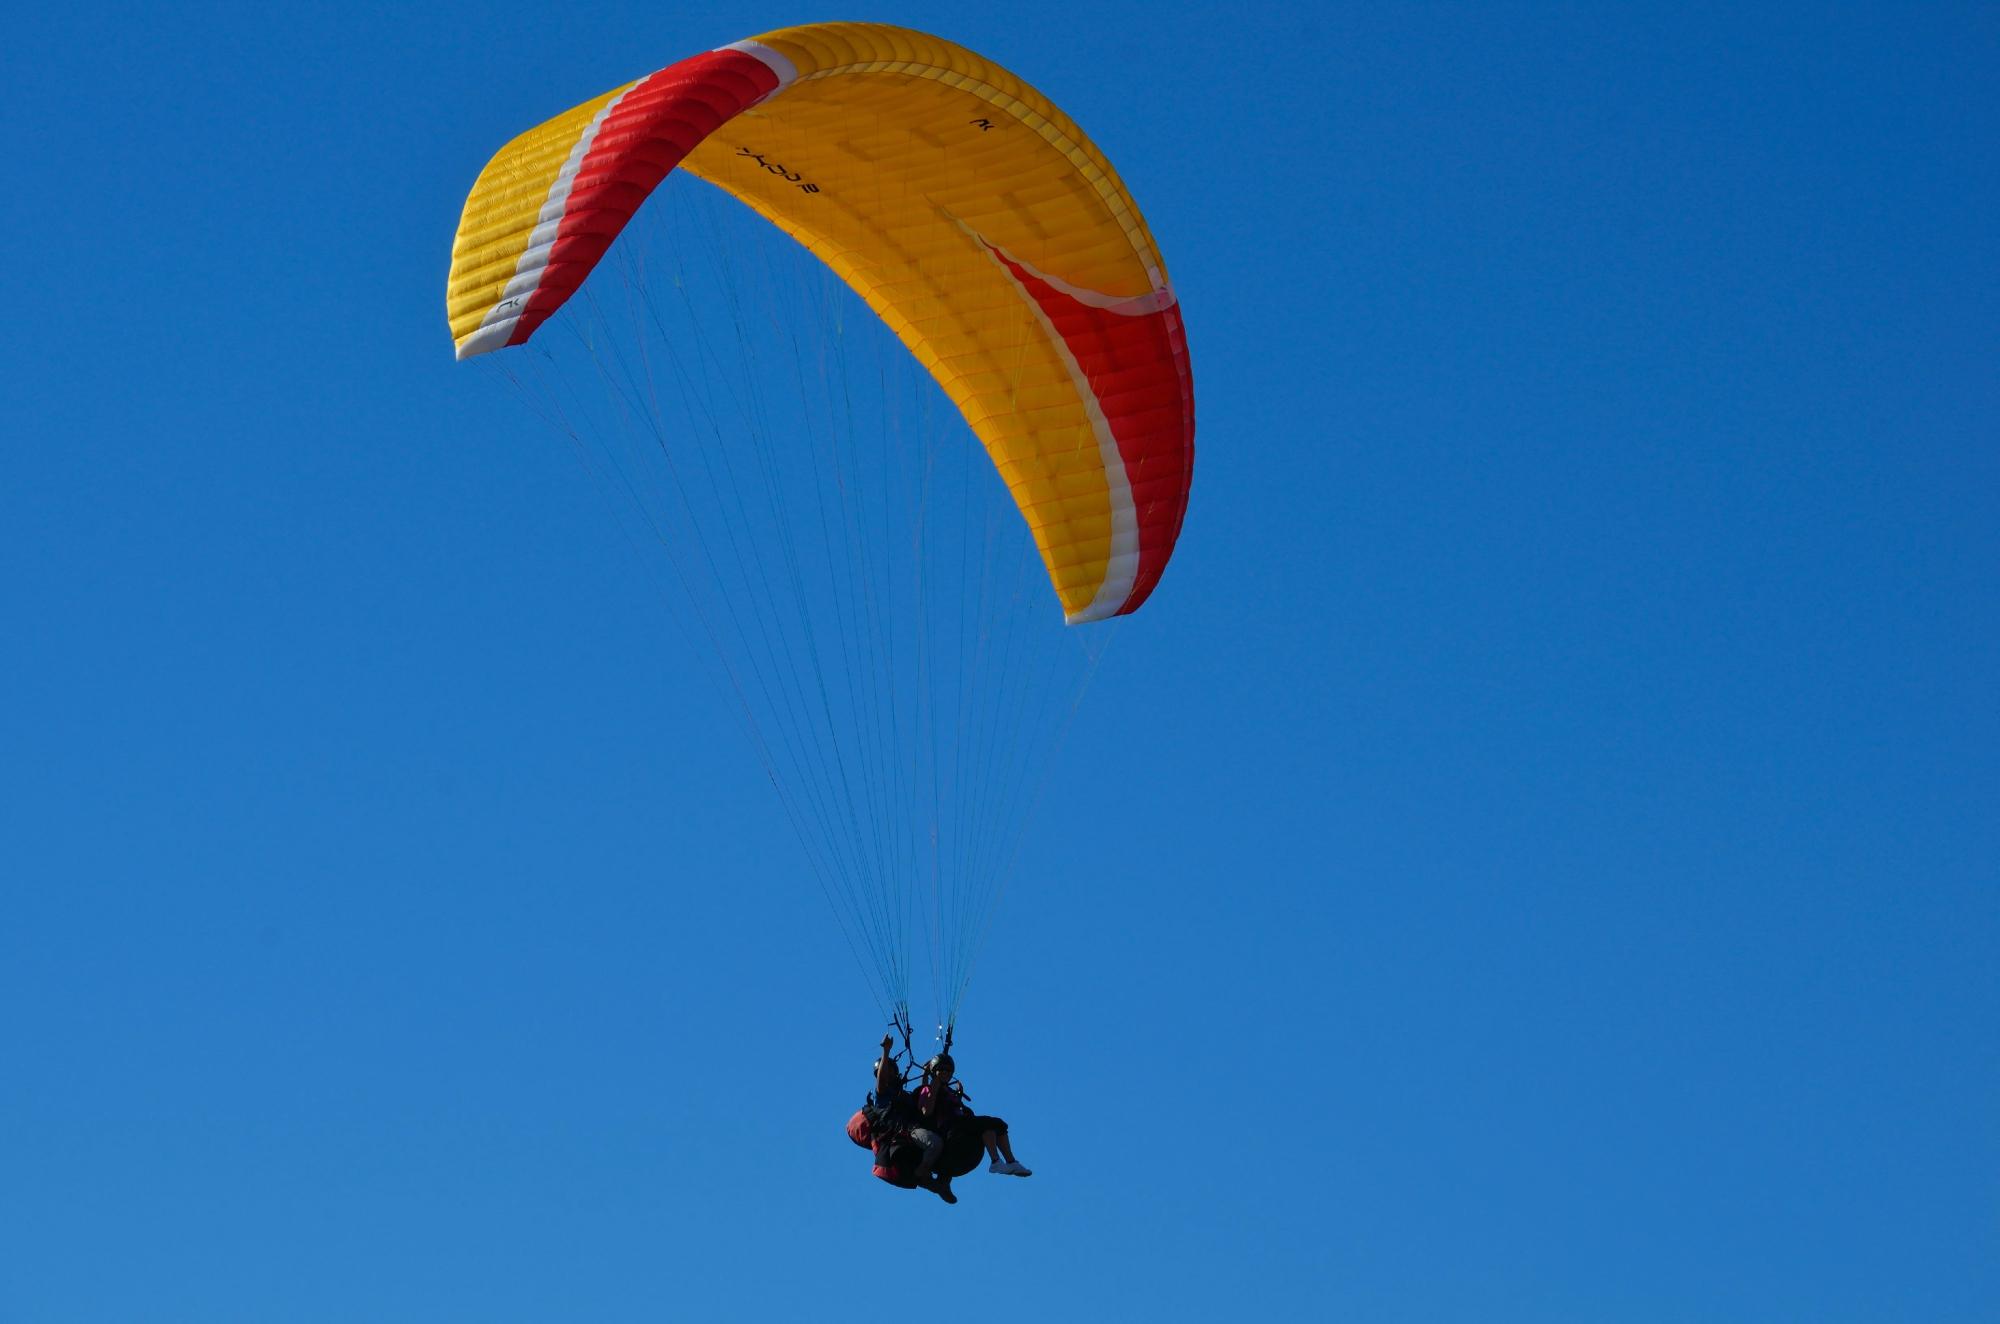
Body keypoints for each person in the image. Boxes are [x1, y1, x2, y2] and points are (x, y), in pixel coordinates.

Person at [918, 1053, 1032, 1183]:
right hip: (950, 1129)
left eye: (948, 1070)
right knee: (989, 1122)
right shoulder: (928, 1089)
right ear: (934, 1071)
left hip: (961, 1124)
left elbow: (953, 1109)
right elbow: (926, 1112)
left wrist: (958, 1097)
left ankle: (1008, 1161)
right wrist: (929, 1081)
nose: (945, 1072)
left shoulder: (948, 1091)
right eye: (941, 1069)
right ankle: (997, 1162)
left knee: (995, 1126)